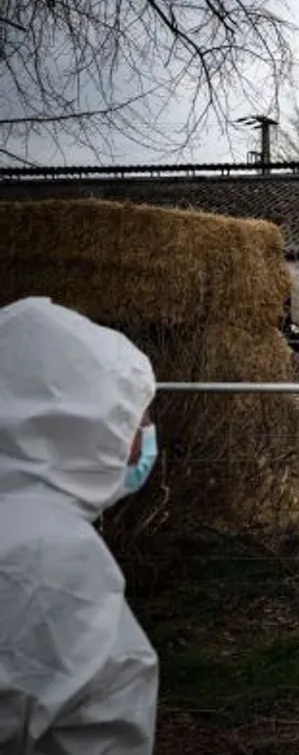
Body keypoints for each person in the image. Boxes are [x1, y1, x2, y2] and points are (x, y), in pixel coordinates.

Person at [0, 296, 160, 753]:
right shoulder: (50, 559)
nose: (145, 436)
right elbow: (96, 729)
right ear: (85, 423)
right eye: (137, 418)